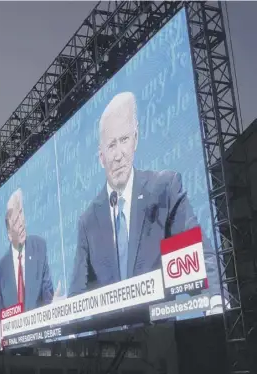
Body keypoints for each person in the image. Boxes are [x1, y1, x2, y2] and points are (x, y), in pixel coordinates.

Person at [69, 92, 221, 309]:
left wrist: (215, 299)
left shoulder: (163, 190)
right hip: (107, 338)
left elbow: (197, 255)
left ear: (136, 139)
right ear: (101, 157)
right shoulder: (88, 221)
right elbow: (78, 294)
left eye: (124, 140)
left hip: (159, 335)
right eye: (111, 145)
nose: (119, 154)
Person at [0, 188, 62, 315]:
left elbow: (47, 295)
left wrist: (53, 305)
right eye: (15, 221)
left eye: (21, 213)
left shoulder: (39, 248)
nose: (21, 223)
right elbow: (0, 314)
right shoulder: (1, 271)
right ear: (9, 234)